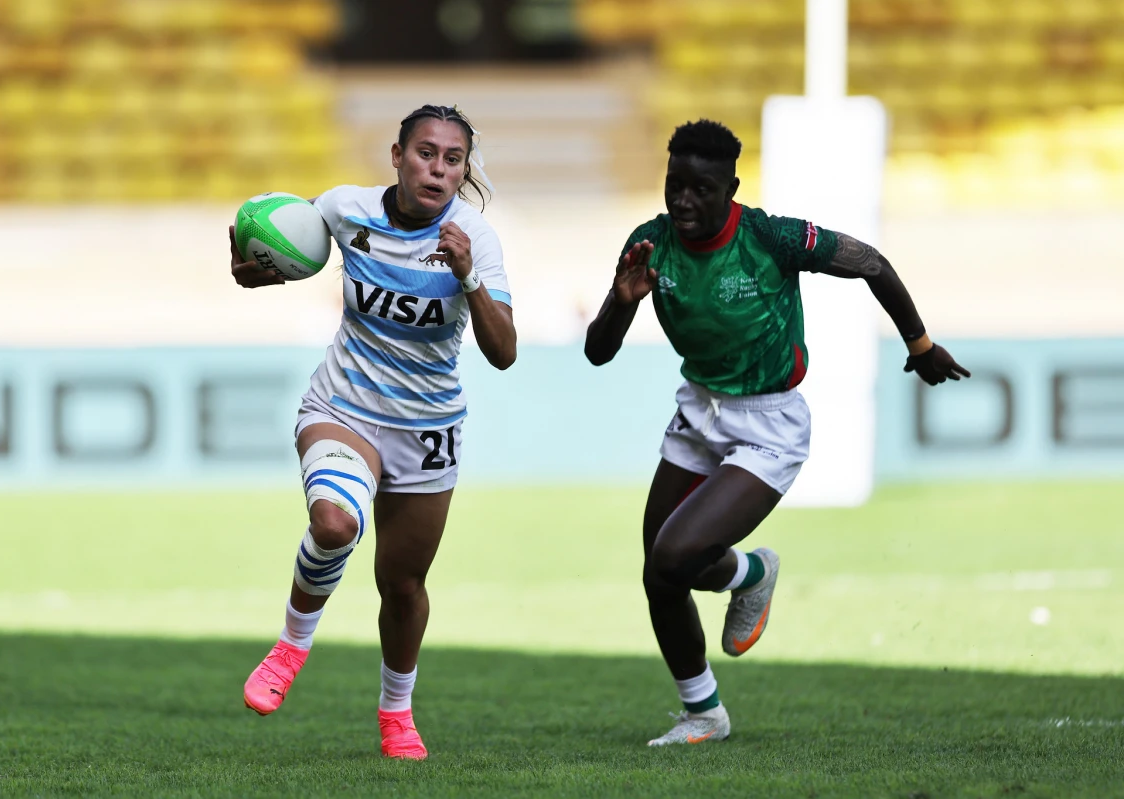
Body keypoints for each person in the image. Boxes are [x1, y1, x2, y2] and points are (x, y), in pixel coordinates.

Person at [583, 119, 968, 747]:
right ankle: (709, 693)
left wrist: (919, 344)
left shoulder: (769, 236)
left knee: (673, 556)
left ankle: (742, 591)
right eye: (673, 185)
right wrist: (622, 300)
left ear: (730, 188)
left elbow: (871, 263)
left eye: (700, 190)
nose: (682, 201)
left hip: (768, 423)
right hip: (698, 412)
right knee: (661, 572)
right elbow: (598, 352)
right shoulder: (650, 244)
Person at [228, 105, 516, 760]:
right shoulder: (345, 209)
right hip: (345, 405)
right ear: (396, 155)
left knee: (403, 584)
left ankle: (396, 712)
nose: (438, 168)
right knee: (334, 524)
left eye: (452, 159)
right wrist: (253, 260)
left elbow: (504, 351)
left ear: (463, 169)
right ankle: (290, 647)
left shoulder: (475, 237)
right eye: (425, 153)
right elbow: (281, 237)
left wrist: (468, 273)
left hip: (428, 428)